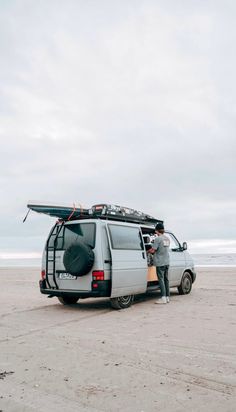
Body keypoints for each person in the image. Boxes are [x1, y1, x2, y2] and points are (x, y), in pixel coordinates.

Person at [147, 223, 170, 304]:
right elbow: (163, 249)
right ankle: (167, 297)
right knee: (166, 279)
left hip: (160, 263)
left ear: (157, 231)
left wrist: (147, 251)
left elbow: (153, 250)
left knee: (161, 280)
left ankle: (163, 297)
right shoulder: (167, 239)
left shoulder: (158, 239)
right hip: (167, 262)